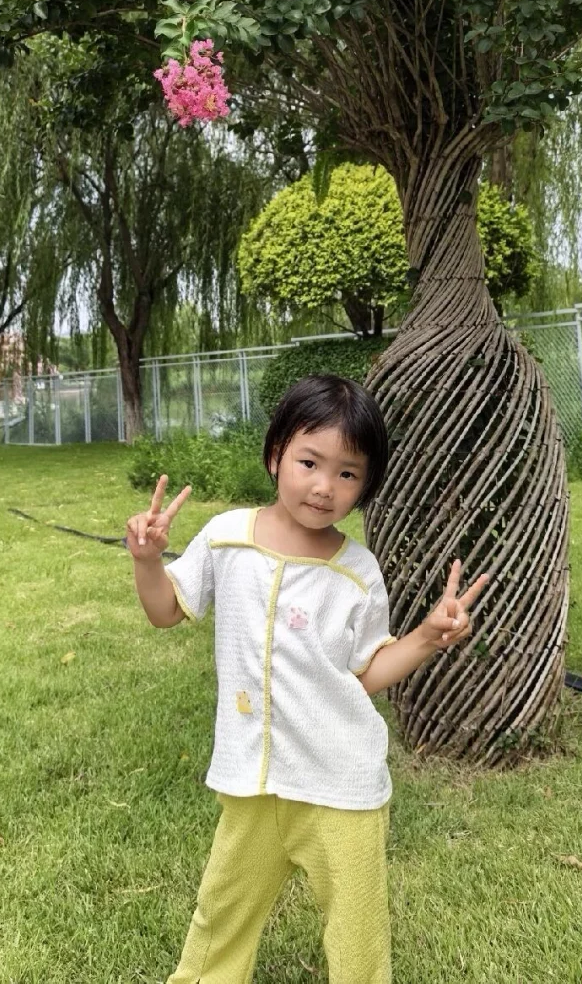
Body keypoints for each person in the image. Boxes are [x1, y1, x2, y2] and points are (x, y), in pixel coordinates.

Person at [126, 373, 490, 984]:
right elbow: (165, 611)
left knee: (357, 932)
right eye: (309, 461)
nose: (324, 487)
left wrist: (427, 636)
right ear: (275, 455)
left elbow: (369, 672)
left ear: (365, 486)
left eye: (348, 473)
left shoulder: (357, 572)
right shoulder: (226, 538)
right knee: (220, 917)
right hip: (254, 782)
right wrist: (145, 561)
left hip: (340, 783)